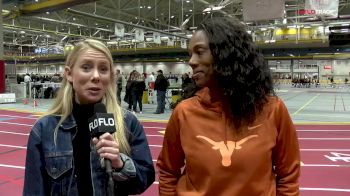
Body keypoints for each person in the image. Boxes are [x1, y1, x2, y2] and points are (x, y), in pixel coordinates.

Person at [157, 18, 300, 195]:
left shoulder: (273, 110)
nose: (192, 61)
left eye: (199, 52)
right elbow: (168, 172)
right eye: (190, 54)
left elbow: (288, 177)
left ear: (225, 54)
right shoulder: (184, 112)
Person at [23, 39, 155, 196]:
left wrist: (119, 164)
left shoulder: (128, 123)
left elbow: (145, 178)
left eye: (103, 69)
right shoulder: (44, 130)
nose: (96, 76)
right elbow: (34, 190)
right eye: (86, 68)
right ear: (69, 74)